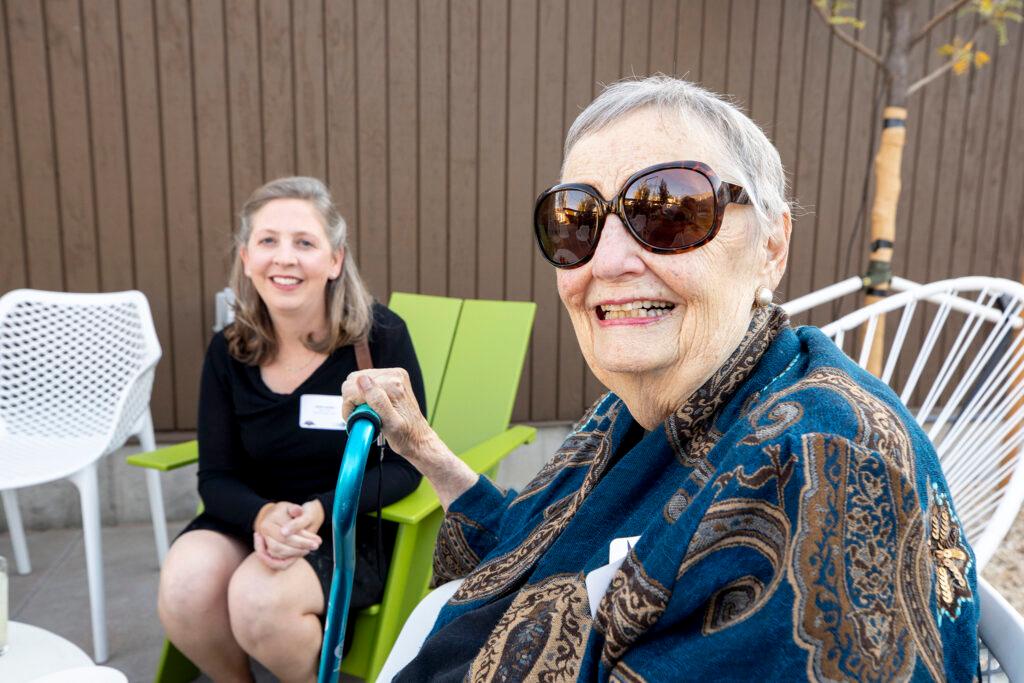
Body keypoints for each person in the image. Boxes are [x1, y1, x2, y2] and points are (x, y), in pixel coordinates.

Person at [342, 76, 979, 682]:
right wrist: (422, 448)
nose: (609, 261)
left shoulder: (824, 468)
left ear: (771, 247)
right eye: (576, 221)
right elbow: (527, 548)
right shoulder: (632, 413)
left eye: (671, 211)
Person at [157, 177, 426, 683]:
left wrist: (323, 508)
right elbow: (214, 477)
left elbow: (410, 467)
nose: (285, 257)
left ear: (334, 260)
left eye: (304, 242)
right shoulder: (228, 351)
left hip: (347, 523)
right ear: (246, 257)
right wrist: (262, 516)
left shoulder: (381, 339)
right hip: (252, 517)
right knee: (184, 588)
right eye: (268, 241)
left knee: (258, 601)